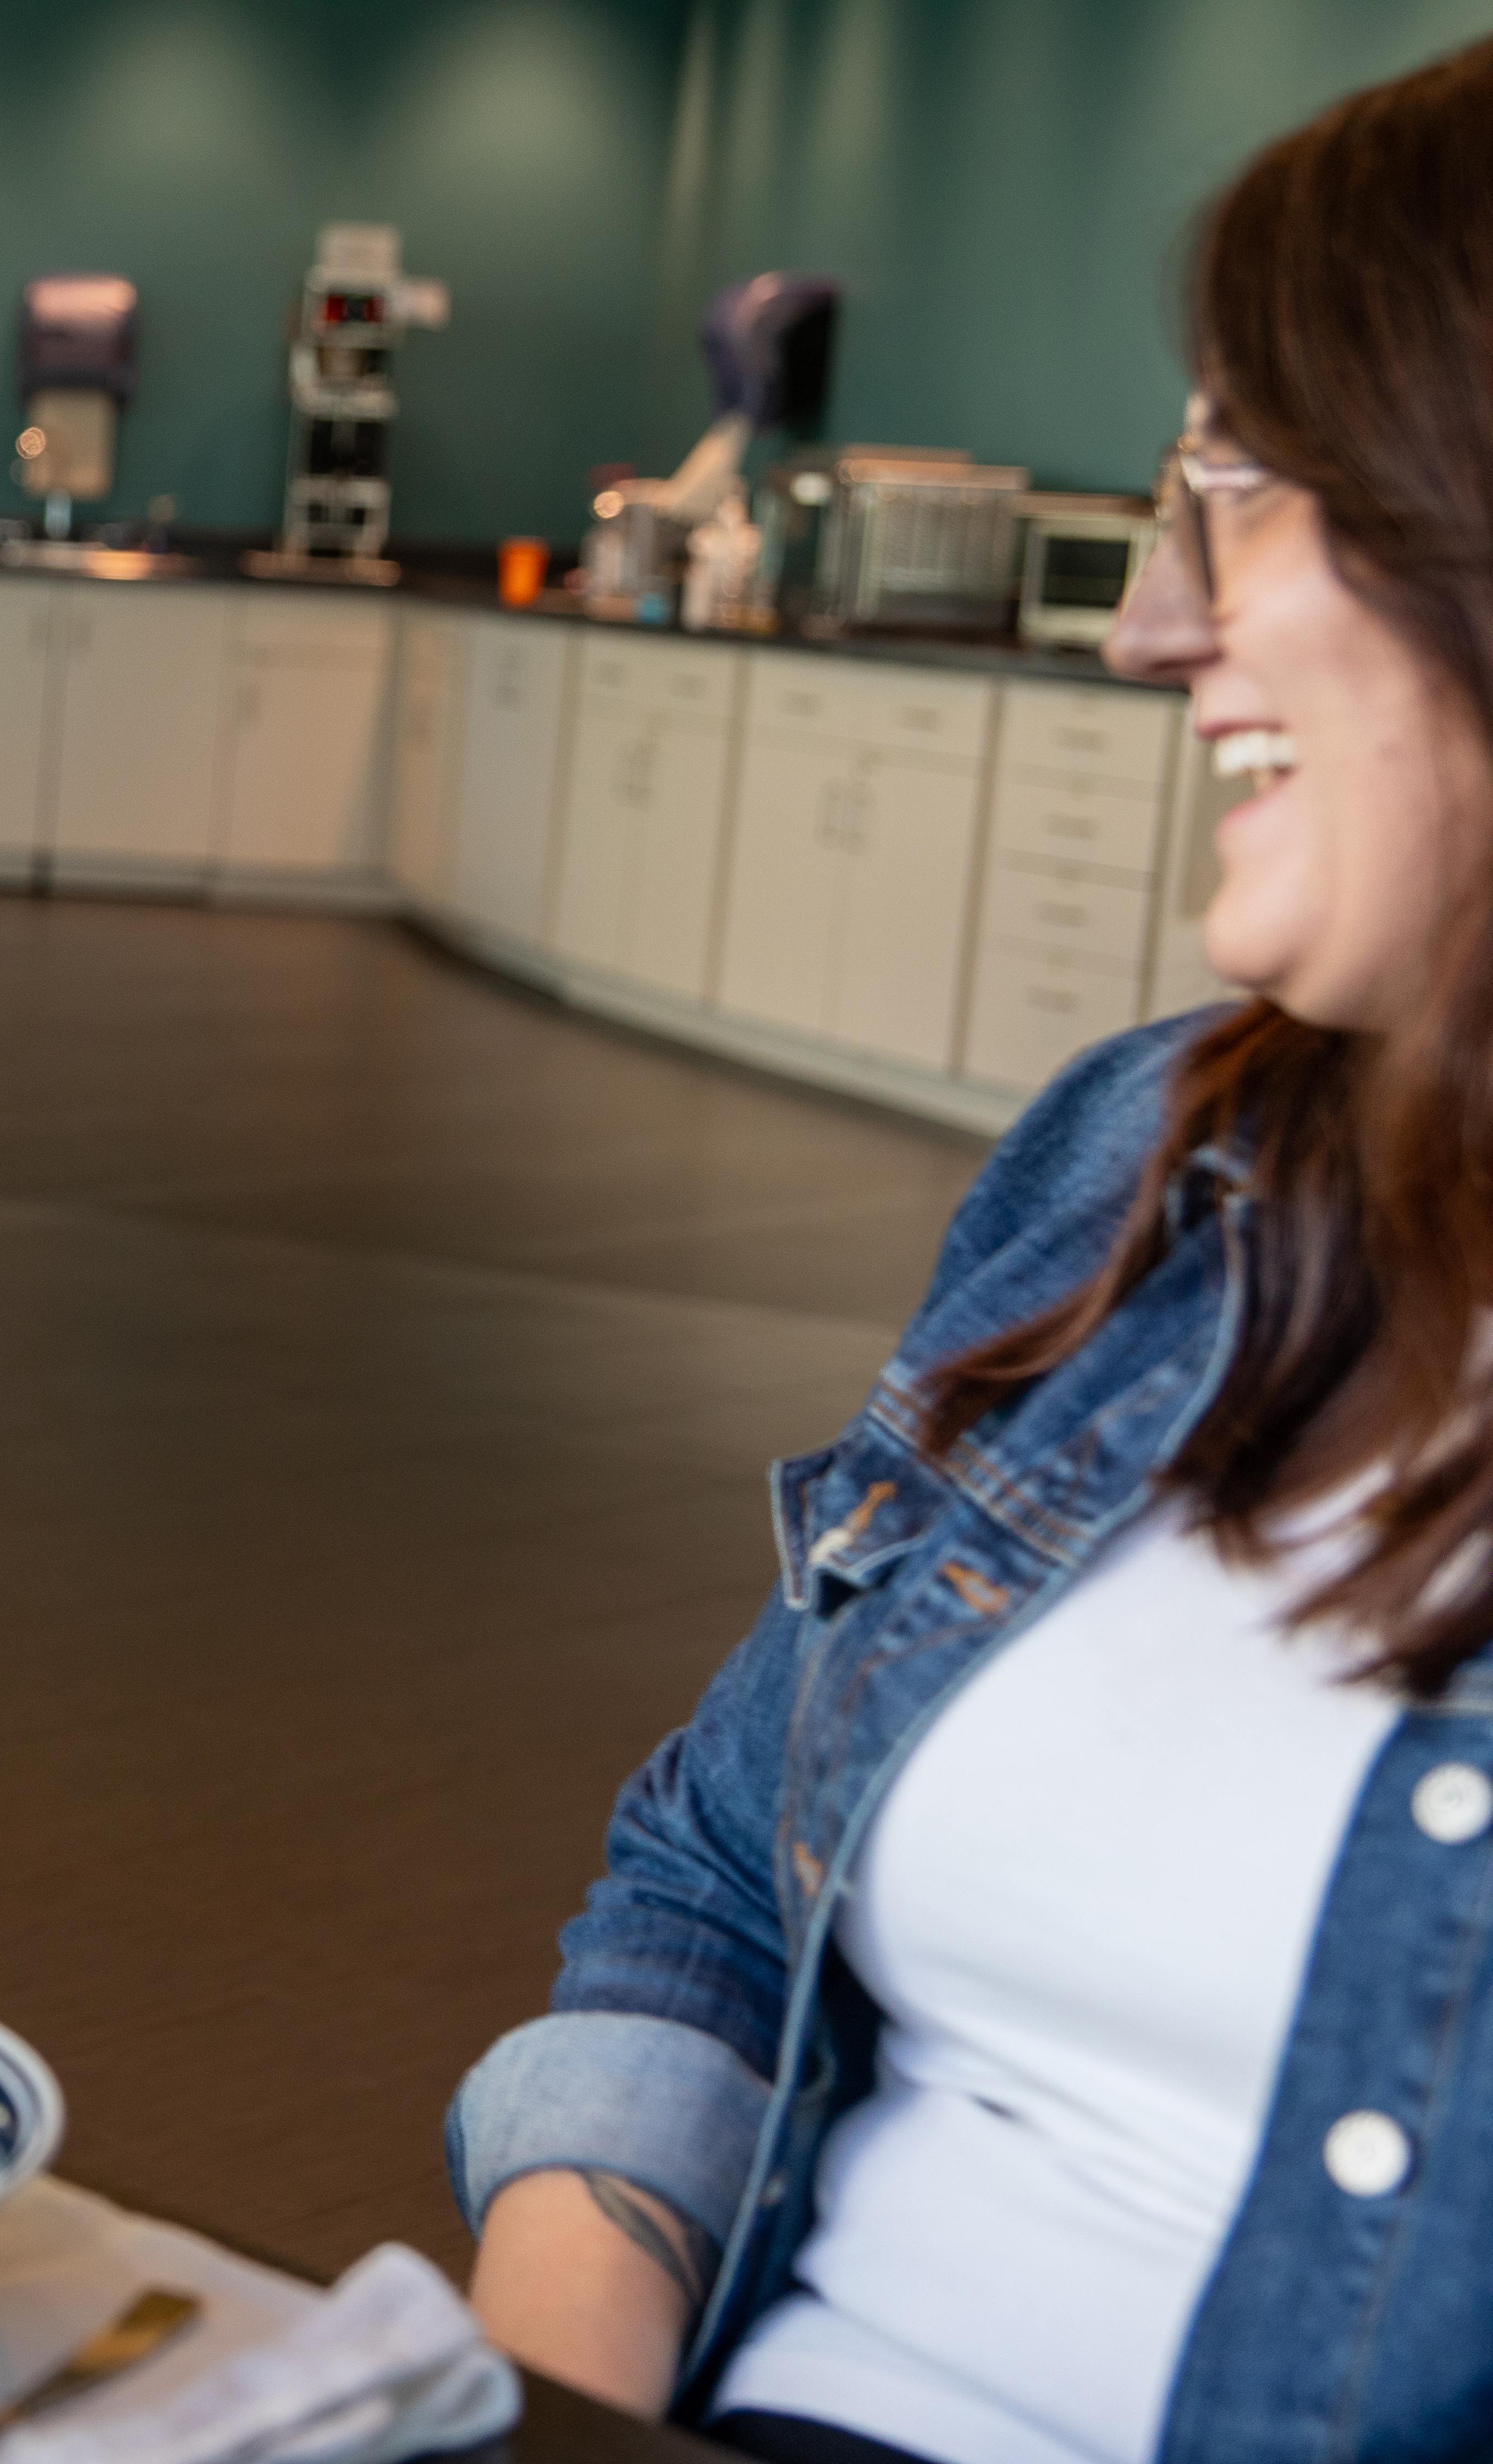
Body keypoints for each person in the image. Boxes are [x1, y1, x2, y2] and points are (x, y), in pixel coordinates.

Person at [448, 46, 1493, 2464]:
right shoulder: (1146, 1158)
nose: (1152, 631)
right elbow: (712, 1877)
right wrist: (543, 2414)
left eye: (1242, 498)